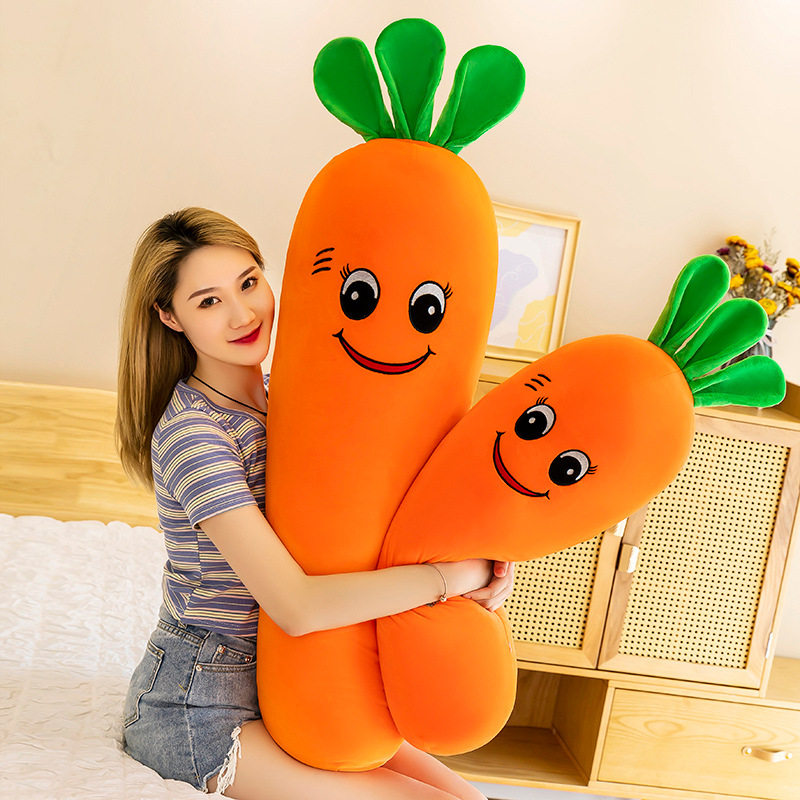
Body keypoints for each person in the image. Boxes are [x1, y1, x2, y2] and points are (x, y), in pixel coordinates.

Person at [115, 207, 516, 799]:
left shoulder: (294, 399)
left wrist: (482, 565)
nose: (243, 314)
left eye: (249, 283)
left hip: (307, 679)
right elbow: (296, 605)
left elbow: (369, 521)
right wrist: (450, 578)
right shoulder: (194, 434)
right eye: (209, 301)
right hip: (202, 704)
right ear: (169, 316)